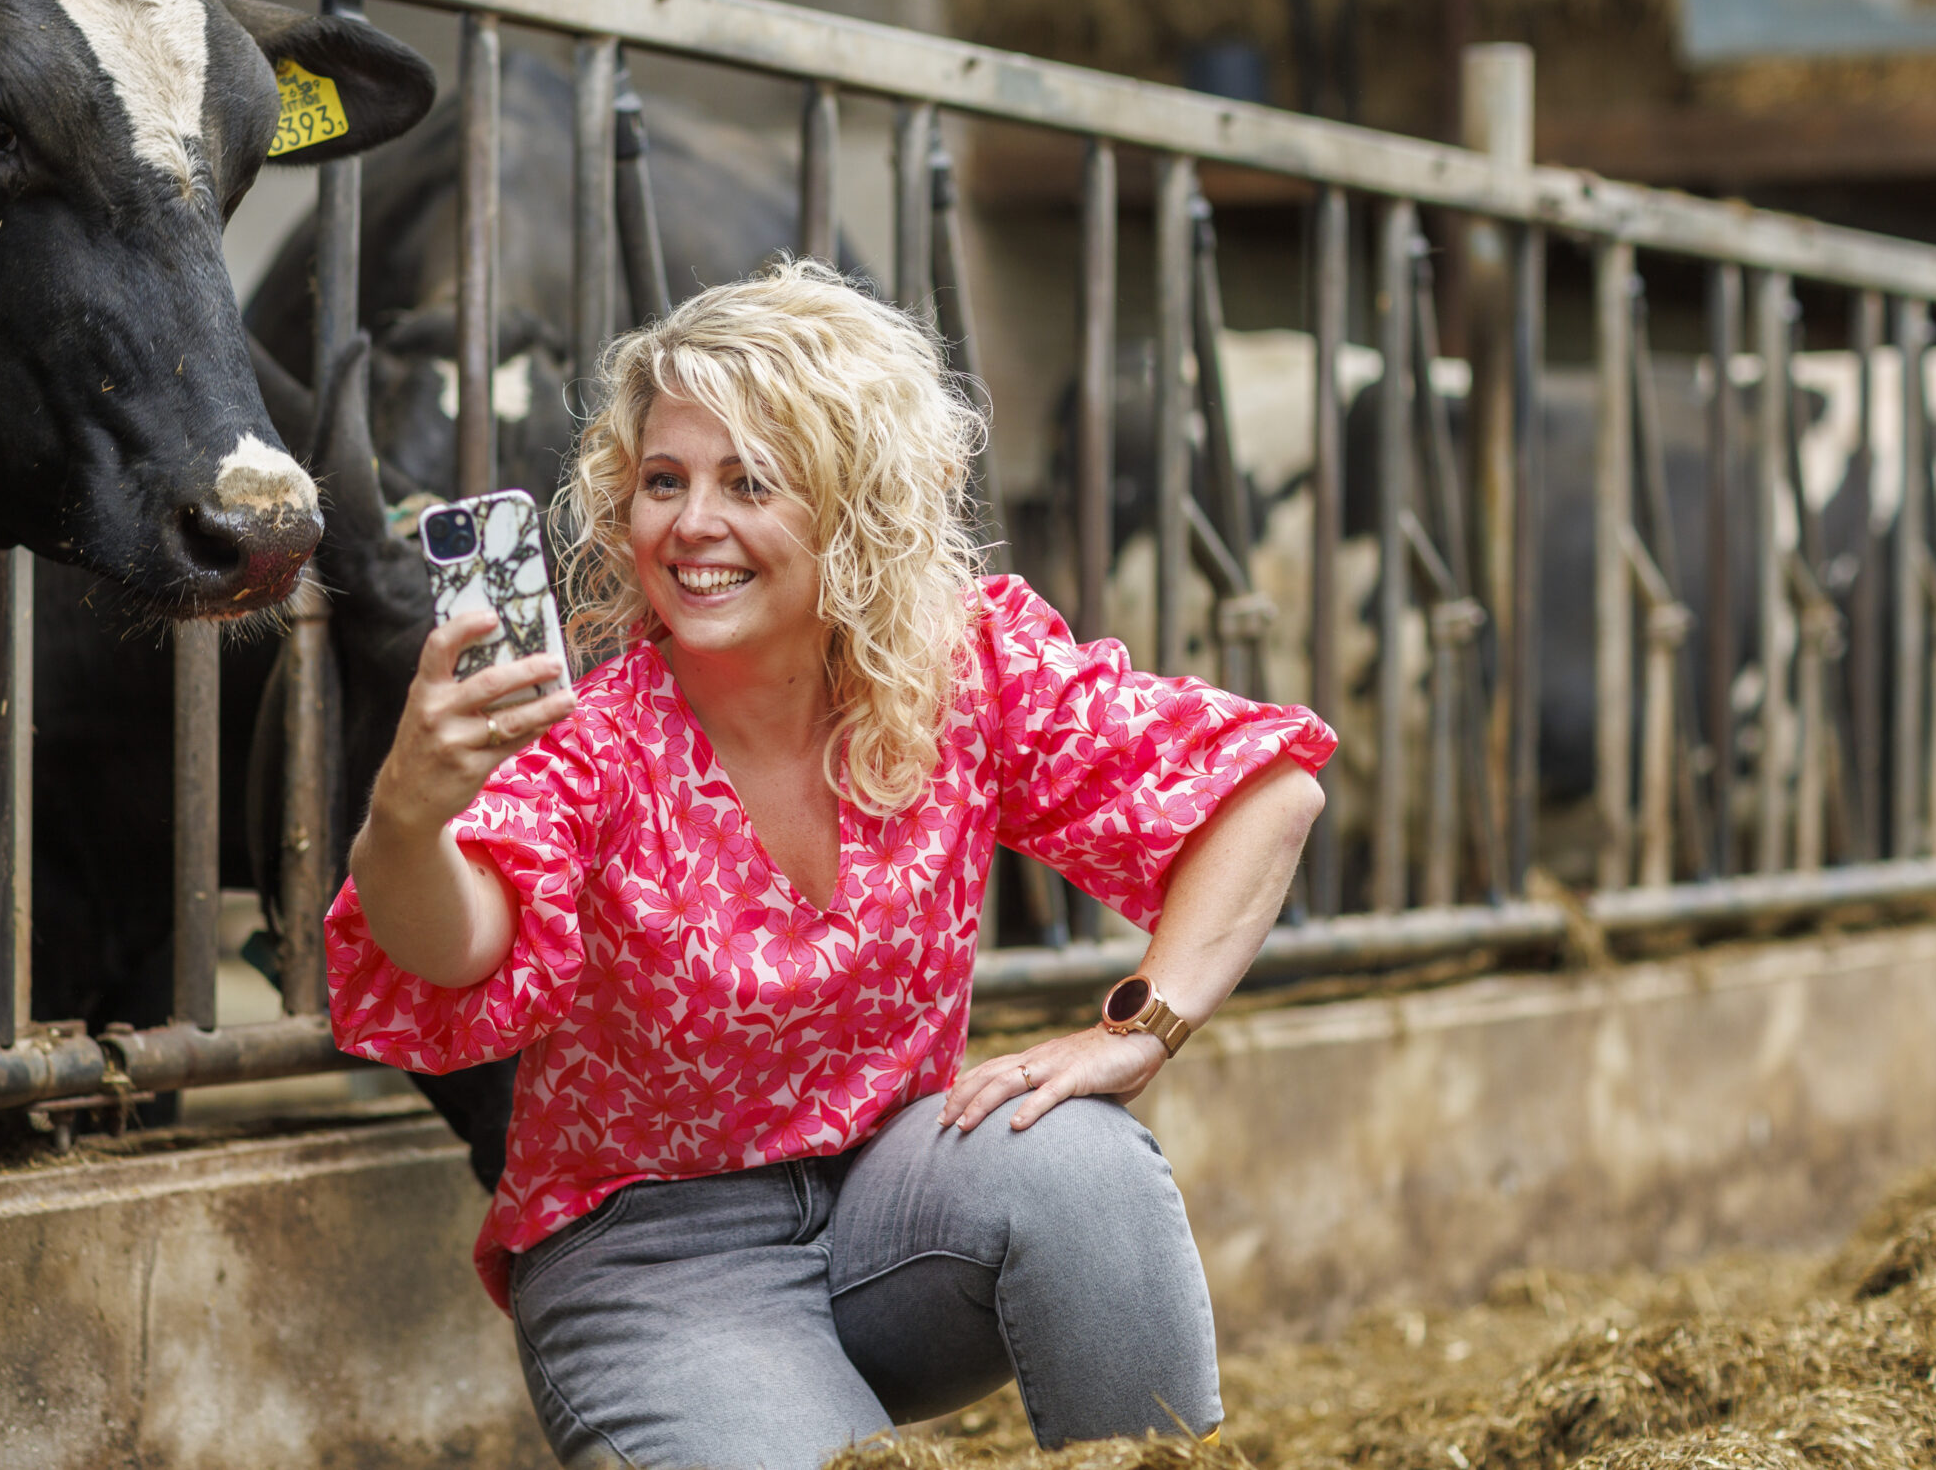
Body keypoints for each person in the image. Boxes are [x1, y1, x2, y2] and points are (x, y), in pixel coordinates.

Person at [327, 257, 1334, 1470]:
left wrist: (1141, 1028)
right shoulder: (592, 744)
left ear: (852, 508)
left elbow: (1267, 794)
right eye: (662, 481)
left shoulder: (961, 674)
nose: (690, 524)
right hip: (656, 1262)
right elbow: (458, 938)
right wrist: (408, 813)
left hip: (893, 1214)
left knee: (1081, 1157)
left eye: (748, 481)